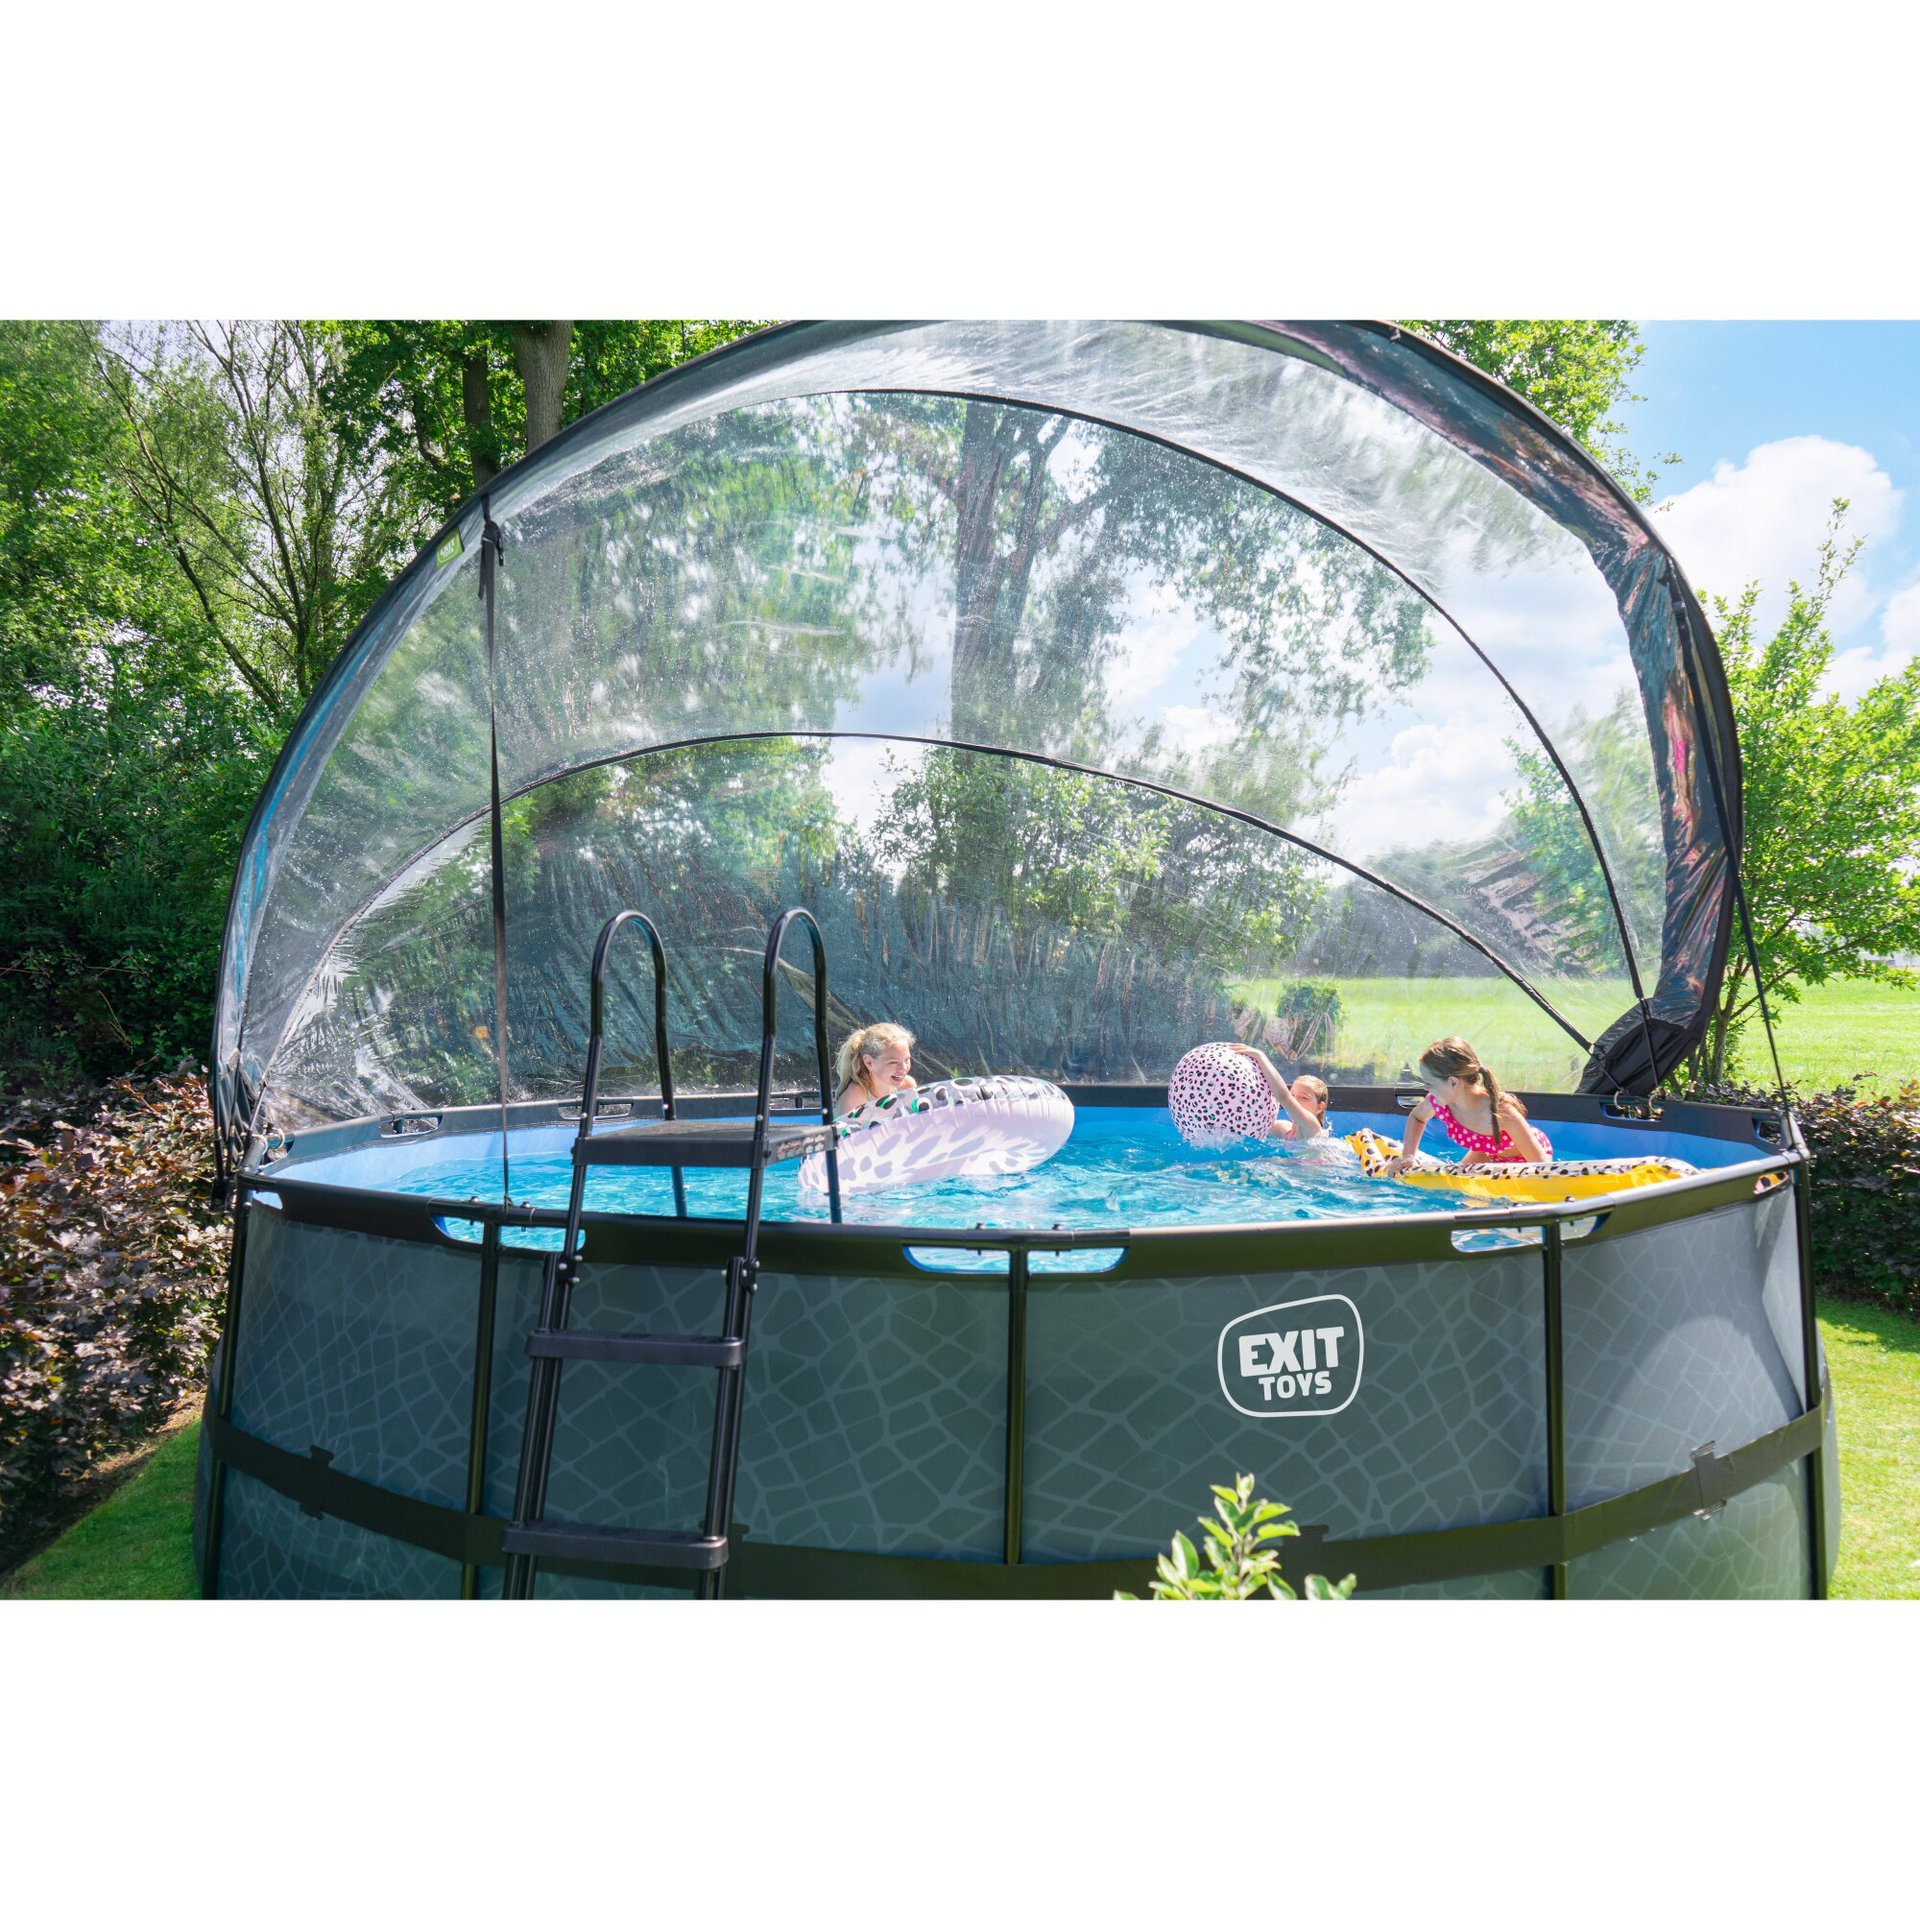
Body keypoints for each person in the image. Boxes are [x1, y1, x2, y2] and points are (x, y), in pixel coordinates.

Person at [1387, 1036, 1550, 1173]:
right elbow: (1417, 1117)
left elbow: (1543, 1166)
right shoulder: (1441, 1102)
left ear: (1453, 1082)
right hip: (1487, 1152)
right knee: (1457, 1186)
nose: (1426, 1088)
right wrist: (1408, 1156)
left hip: (1525, 1158)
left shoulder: (1502, 1113)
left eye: (1429, 1083)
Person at [1226, 1044, 1330, 1141]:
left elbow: (1283, 1097)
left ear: (1319, 1108)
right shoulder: (1284, 1129)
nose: (1295, 1100)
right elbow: (1251, 1125)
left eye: (1304, 1098)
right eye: (1292, 1095)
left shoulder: (1312, 1126)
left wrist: (1260, 1057)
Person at [834, 1022, 918, 1117]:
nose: (904, 1068)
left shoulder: (907, 1086)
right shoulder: (854, 1100)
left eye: (906, 1060)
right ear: (869, 1062)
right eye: (893, 1062)